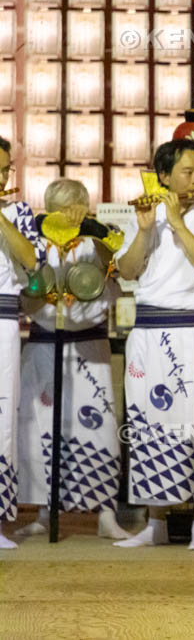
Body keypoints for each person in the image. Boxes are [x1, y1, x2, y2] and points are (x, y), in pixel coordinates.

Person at [112, 139, 194, 550]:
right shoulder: (143, 215)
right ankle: (155, 524)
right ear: (163, 176)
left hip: (191, 327)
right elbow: (127, 271)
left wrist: (180, 223)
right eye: (187, 172)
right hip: (147, 328)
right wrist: (148, 229)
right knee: (148, 422)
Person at [15, 179, 131, 540]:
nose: (66, 214)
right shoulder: (34, 239)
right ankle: (42, 512)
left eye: (73, 206)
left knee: (98, 429)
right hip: (44, 343)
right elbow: (25, 286)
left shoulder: (99, 237)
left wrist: (93, 231)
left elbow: (117, 270)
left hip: (89, 346)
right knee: (39, 430)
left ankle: (106, 512)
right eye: (59, 207)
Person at [0, 136, 43, 549]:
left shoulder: (18, 212)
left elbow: (32, 261)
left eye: (4, 170)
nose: (1, 178)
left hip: (2, 320)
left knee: (1, 421)